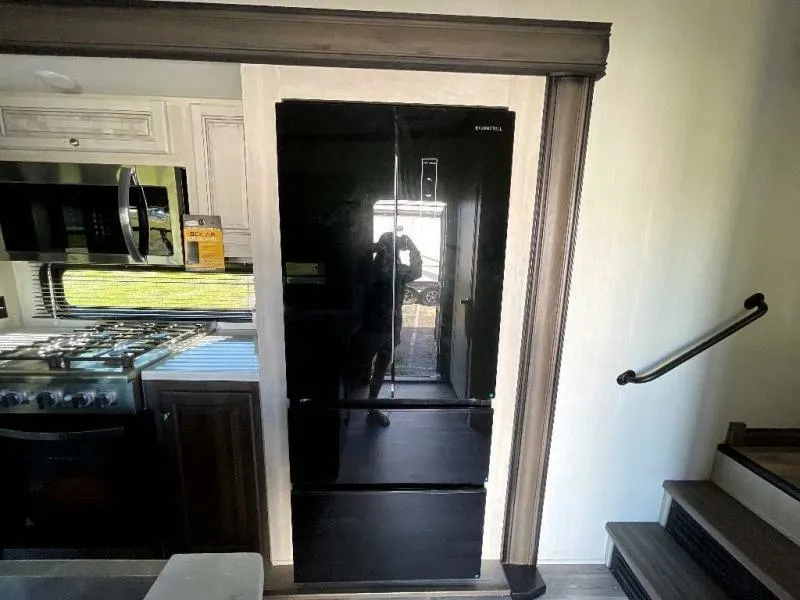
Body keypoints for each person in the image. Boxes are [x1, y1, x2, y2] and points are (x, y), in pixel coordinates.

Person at [351, 232, 422, 425]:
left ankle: (353, 408)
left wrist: (372, 248)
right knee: (371, 367)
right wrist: (412, 246)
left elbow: (415, 272)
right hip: (379, 327)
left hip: (377, 326)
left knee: (367, 366)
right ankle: (364, 408)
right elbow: (417, 270)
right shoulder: (392, 271)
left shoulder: (372, 269)